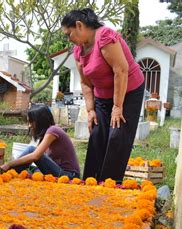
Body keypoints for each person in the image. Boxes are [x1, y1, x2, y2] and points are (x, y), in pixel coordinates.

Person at [61, 8, 145, 182]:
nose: (68, 39)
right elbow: (85, 83)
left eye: (69, 34)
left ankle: (110, 186)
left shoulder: (105, 37)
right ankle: (91, 183)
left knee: (117, 136)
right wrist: (91, 110)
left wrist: (117, 107)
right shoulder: (78, 51)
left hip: (128, 92)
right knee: (97, 133)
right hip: (101, 96)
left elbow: (121, 71)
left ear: (79, 25)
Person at [0, 105, 80, 179]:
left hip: (69, 175)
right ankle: (6, 174)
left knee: (31, 150)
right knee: (33, 170)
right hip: (59, 171)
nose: (29, 125)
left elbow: (35, 156)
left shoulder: (53, 131)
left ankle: (4, 174)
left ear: (40, 121)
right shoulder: (46, 134)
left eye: (31, 122)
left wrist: (9, 164)